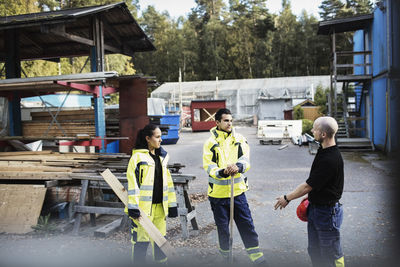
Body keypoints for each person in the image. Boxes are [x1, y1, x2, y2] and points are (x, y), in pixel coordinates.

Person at [274, 116, 344, 267]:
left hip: (327, 213)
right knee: (315, 251)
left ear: (323, 134)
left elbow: (308, 185)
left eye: (315, 129)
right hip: (317, 209)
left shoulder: (330, 158)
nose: (312, 131)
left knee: (330, 255)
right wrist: (311, 196)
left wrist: (287, 198)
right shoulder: (324, 151)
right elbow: (321, 182)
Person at [203, 108, 266, 264]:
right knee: (223, 230)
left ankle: (256, 258)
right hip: (217, 195)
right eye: (226, 120)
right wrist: (222, 172)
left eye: (231, 120)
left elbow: (246, 159)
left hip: (237, 193)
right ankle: (226, 258)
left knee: (247, 225)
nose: (229, 123)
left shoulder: (239, 139)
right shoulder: (210, 143)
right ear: (217, 122)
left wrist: (238, 166)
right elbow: (208, 166)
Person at [125, 124, 178, 264]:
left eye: (161, 137)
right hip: (142, 210)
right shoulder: (137, 159)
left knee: (161, 242)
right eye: (157, 137)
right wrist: (133, 207)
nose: (161, 140)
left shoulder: (162, 158)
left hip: (160, 208)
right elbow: (132, 185)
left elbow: (169, 184)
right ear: (148, 138)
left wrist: (172, 205)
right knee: (141, 243)